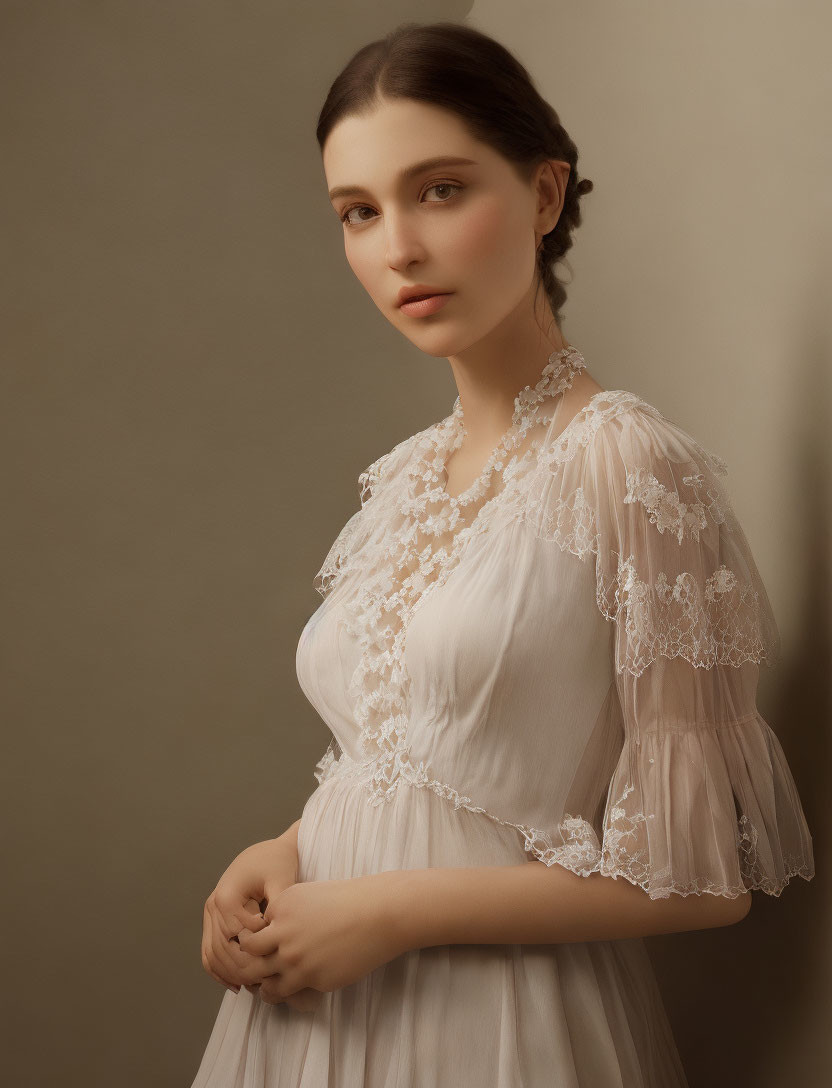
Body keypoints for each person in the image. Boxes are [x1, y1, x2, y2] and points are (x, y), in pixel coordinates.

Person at [190, 21, 815, 1087]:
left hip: (499, 1026)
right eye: (358, 212)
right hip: (306, 1025)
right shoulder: (401, 478)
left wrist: (390, 910)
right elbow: (420, 760)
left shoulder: (626, 462)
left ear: (542, 193)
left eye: (438, 190)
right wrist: (287, 849)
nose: (397, 249)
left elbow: (704, 879)